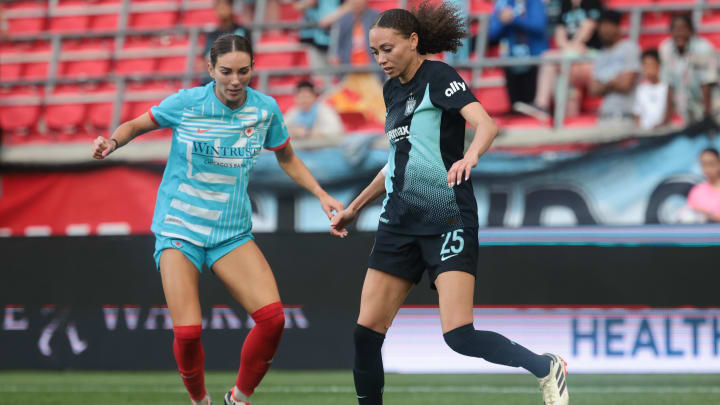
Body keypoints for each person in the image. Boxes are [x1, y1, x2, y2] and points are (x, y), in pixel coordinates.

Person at [329, 3, 569, 405]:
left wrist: (470, 156)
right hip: (398, 222)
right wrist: (355, 206)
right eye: (375, 52)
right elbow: (397, 161)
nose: (381, 59)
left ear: (413, 41)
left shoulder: (438, 76)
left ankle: (546, 367)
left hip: (447, 218)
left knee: (458, 335)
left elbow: (487, 124)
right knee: (365, 333)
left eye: (388, 49)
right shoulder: (391, 90)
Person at [91, 34, 343, 405]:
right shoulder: (187, 103)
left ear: (254, 69)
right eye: (226, 71)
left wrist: (321, 194)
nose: (235, 80)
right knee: (189, 332)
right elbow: (134, 125)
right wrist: (111, 142)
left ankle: (238, 399)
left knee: (273, 320)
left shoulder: (265, 110)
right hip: (180, 228)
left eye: (243, 71)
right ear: (210, 69)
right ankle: (199, 401)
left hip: (231, 234)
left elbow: (286, 157)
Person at [514, 0, 602, 121]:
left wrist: (572, 47)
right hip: (569, 57)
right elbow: (559, 36)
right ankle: (566, 122)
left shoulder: (592, 3)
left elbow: (587, 30)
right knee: (561, 77)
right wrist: (569, 48)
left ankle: (542, 105)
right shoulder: (565, 5)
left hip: (591, 56)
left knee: (550, 59)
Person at [659, 13, 718, 125]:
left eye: (683, 28)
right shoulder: (666, 49)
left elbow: (707, 85)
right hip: (687, 110)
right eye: (675, 29)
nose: (679, 32)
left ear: (691, 31)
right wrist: (665, 120)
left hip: (712, 109)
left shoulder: (703, 48)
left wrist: (707, 119)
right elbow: (670, 86)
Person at [488, 0, 548, 107]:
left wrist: (514, 19)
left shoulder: (535, 2)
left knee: (531, 106)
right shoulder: (503, 3)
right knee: (516, 107)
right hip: (510, 62)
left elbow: (539, 26)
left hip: (534, 61)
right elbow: (492, 34)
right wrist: (502, 21)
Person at [588, 9, 640, 121]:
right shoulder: (601, 54)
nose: (603, 30)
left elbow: (625, 84)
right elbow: (593, 90)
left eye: (607, 25)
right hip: (605, 116)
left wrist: (604, 84)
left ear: (617, 27)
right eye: (601, 26)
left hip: (626, 115)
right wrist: (614, 81)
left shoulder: (629, 48)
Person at [634, 49, 670, 130]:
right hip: (645, 133)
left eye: (650, 64)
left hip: (664, 132)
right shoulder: (640, 89)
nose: (647, 69)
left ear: (659, 65)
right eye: (644, 65)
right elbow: (638, 116)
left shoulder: (668, 87)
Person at [687, 148, 720, 222]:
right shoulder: (696, 191)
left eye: (711, 163)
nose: (707, 169)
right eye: (703, 164)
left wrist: (709, 216)